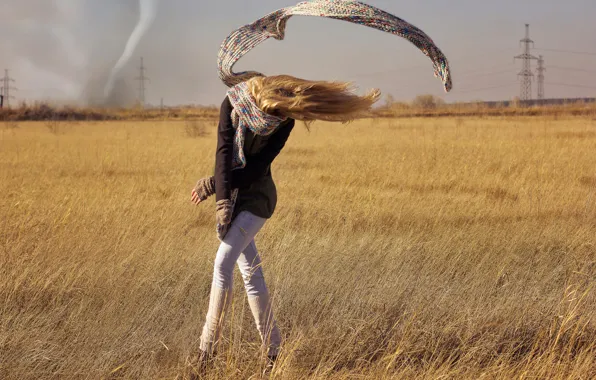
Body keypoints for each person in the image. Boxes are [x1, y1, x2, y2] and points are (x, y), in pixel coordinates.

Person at [190, 74, 380, 372]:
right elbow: (224, 151)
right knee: (251, 274)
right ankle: (274, 351)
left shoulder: (285, 122)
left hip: (258, 200)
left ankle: (205, 353)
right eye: (269, 114)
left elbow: (255, 170)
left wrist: (216, 185)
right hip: (234, 195)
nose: (272, 120)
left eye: (277, 115)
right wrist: (222, 198)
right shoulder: (232, 102)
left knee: (222, 263)